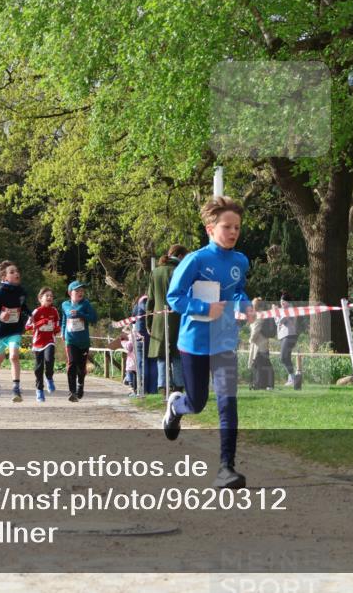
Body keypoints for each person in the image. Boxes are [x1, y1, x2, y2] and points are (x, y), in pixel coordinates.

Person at [163, 196, 255, 489]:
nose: (233, 232)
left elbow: (237, 290)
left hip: (225, 341)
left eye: (237, 227)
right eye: (227, 226)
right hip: (195, 342)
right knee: (198, 403)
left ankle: (226, 468)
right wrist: (204, 309)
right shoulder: (196, 260)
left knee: (228, 403)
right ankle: (177, 407)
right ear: (210, 228)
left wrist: (246, 305)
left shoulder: (241, 261)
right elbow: (174, 297)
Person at [0, 261, 29, 403]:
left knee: (14, 356)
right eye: (12, 272)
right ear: (4, 277)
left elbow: (23, 306)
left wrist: (31, 315)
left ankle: (16, 388)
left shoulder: (21, 291)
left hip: (15, 329)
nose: (16, 273)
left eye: (17, 271)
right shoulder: (0, 292)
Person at [148, 244, 188, 393]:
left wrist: (149, 322)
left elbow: (150, 300)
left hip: (158, 320)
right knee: (177, 354)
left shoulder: (155, 272)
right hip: (178, 317)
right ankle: (178, 387)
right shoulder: (180, 270)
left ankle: (163, 387)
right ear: (180, 256)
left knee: (162, 355)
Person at [60, 280, 98, 401]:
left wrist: (80, 314)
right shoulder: (65, 305)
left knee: (81, 367)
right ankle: (72, 392)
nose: (80, 293)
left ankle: (80, 385)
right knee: (71, 364)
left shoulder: (86, 304)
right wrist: (62, 332)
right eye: (77, 291)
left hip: (83, 341)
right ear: (70, 293)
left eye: (82, 290)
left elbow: (94, 318)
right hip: (70, 340)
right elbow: (64, 320)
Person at [26, 287, 60, 402]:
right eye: (47, 296)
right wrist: (41, 322)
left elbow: (57, 323)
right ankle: (39, 390)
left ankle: (49, 377)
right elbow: (27, 327)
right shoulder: (36, 312)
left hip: (49, 340)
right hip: (38, 343)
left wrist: (56, 328)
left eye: (51, 296)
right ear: (40, 299)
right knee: (38, 368)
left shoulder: (54, 311)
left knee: (49, 359)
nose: (50, 297)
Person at [248, 297, 275, 390]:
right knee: (265, 364)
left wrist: (250, 340)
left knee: (259, 365)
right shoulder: (262, 314)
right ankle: (267, 384)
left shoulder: (258, 315)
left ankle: (259, 384)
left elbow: (255, 330)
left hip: (259, 345)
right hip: (263, 343)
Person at [276, 292, 301, 388]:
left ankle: (293, 377)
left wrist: (277, 313)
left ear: (288, 302)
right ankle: (292, 379)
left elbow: (281, 321)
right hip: (283, 335)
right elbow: (277, 322)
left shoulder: (289, 309)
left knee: (283, 357)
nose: (282, 302)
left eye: (284, 301)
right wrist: (277, 314)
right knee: (286, 358)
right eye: (281, 301)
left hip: (289, 335)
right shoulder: (282, 310)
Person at [122, 327, 139, 397]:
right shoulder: (138, 334)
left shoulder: (131, 336)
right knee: (135, 375)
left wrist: (123, 343)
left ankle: (134, 391)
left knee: (133, 376)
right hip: (137, 358)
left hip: (132, 359)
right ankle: (134, 390)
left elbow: (129, 347)